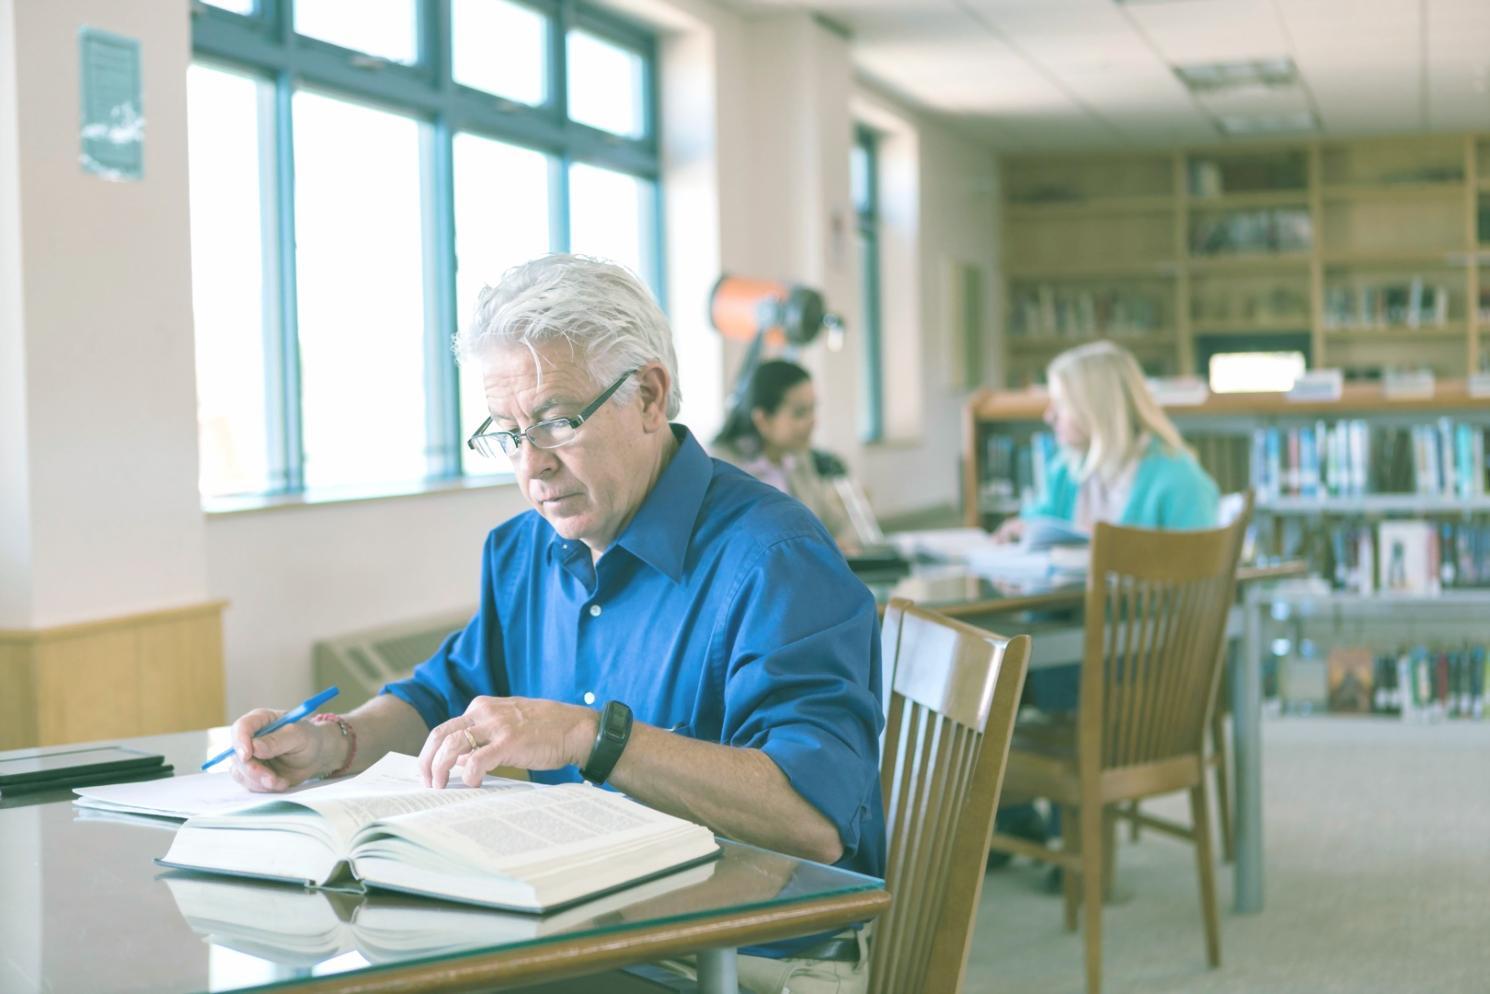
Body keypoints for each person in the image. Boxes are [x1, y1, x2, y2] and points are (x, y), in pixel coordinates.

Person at [225, 255, 885, 994]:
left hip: (743, 962)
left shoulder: (775, 559)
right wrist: (334, 741)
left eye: (556, 422)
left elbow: (812, 819)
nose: (531, 465)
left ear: (648, 396)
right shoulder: (523, 552)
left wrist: (592, 737)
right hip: (584, 937)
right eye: (509, 434)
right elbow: (443, 695)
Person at [989, 340, 1219, 871]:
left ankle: (1055, 827)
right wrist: (1020, 537)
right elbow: (1040, 532)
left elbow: (1196, 597)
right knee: (987, 668)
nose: (1049, 416)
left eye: (1061, 403)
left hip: (1146, 668)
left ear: (1098, 407)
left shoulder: (1177, 480)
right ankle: (1021, 817)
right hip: (1078, 650)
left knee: (1007, 673)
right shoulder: (1069, 471)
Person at [712, 358, 878, 550]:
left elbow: (837, 526)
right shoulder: (725, 470)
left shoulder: (798, 459)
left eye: (813, 409)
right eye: (800, 413)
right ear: (763, 419)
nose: (813, 422)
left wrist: (849, 516)